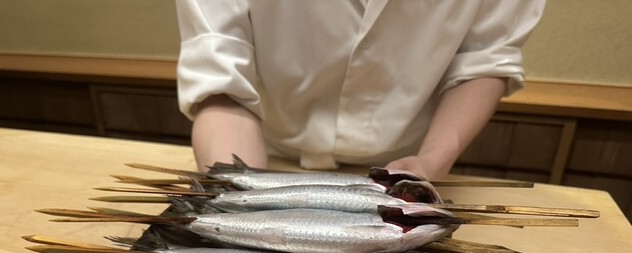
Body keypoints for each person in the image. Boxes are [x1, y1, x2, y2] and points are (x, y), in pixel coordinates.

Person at [175, 0, 546, 180]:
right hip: (263, 158)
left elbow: (483, 57)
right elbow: (220, 70)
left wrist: (432, 161)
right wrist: (238, 195)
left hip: (403, 169)